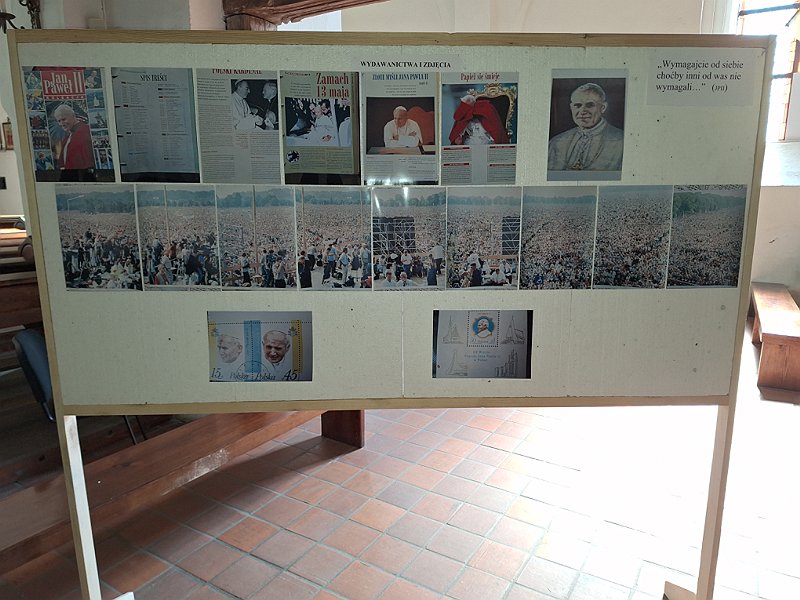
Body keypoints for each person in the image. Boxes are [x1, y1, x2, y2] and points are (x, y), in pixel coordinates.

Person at [547, 82, 624, 172]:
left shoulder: (622, 141)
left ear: (603, 108)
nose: (582, 111)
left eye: (590, 105)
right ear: (571, 108)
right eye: (577, 105)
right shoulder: (556, 142)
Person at [53, 104, 94, 174]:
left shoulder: (85, 132)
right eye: (59, 121)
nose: (61, 124)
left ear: (73, 116)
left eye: (64, 119)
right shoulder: (68, 137)